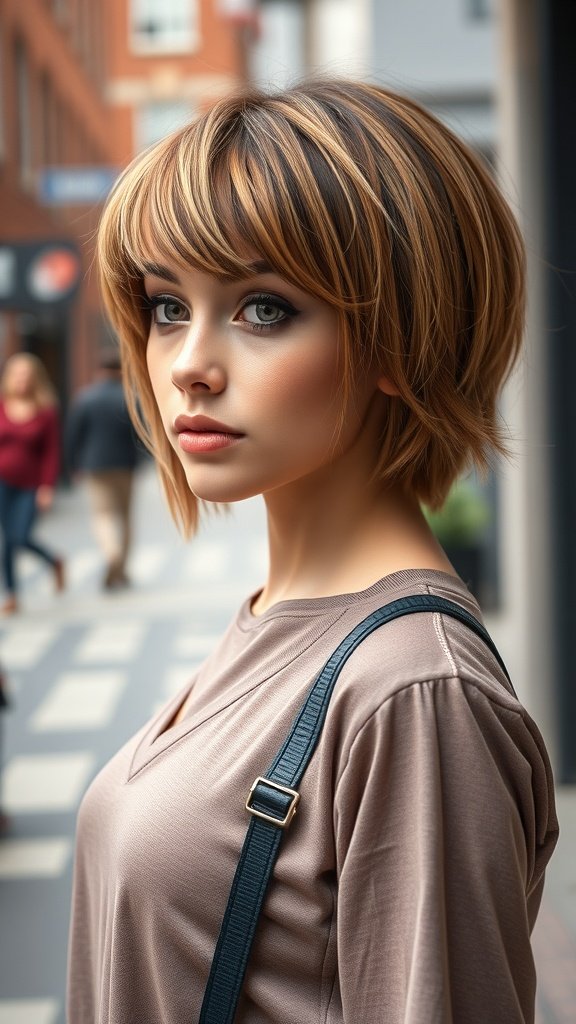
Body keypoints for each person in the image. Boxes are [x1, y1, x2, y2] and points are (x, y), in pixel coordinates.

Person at [67, 79, 558, 1023]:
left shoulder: (414, 694)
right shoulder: (280, 620)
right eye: (170, 305)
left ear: (397, 339)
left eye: (262, 309)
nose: (187, 364)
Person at [66, 347, 141, 589]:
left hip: (94, 465)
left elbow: (73, 435)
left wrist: (72, 464)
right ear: (120, 371)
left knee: (103, 515)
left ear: (100, 371)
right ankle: (121, 567)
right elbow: (142, 434)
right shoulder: (130, 397)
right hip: (126, 465)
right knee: (125, 516)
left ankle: (111, 554)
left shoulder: (85, 397)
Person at [0, 352, 64, 615]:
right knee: (8, 541)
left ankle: (54, 561)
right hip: (2, 483)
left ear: (35, 378)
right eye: (17, 374)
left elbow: (51, 452)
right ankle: (13, 594)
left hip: (30, 485)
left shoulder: (45, 410)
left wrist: (47, 487)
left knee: (20, 536)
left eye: (27, 375)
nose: (22, 380)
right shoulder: (2, 405)